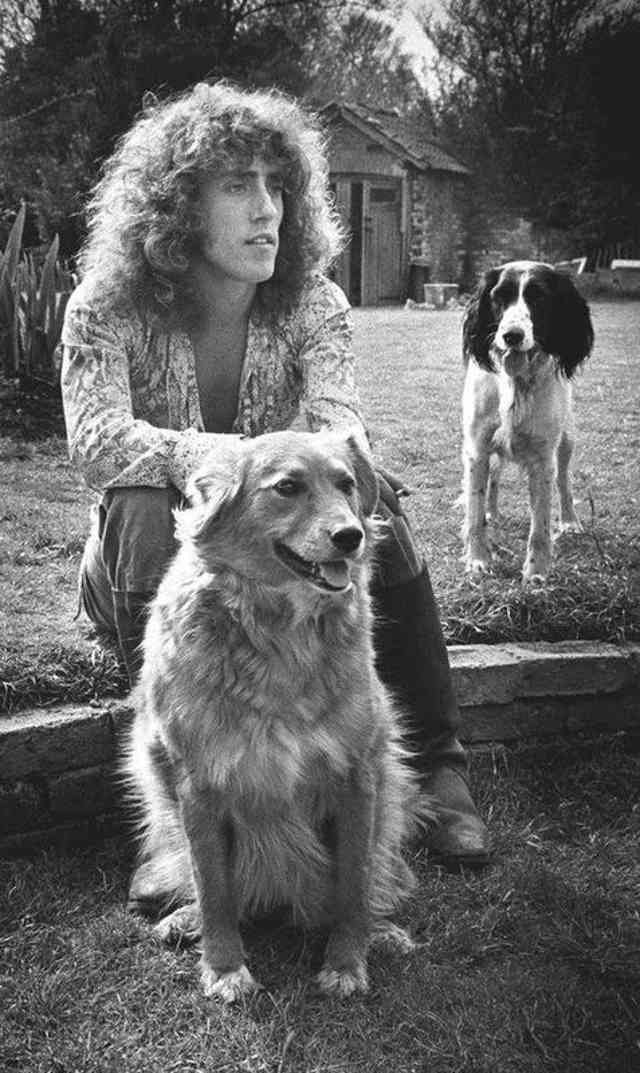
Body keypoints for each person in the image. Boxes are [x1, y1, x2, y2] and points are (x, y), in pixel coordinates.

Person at [60, 80, 490, 878]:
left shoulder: (313, 302)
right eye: (236, 185)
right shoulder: (105, 305)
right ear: (178, 207)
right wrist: (233, 468)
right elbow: (97, 443)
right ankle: (180, 786)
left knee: (376, 491)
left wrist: (285, 475)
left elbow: (342, 434)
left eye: (277, 184)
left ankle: (440, 766)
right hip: (154, 565)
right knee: (138, 499)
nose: (267, 208)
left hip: (279, 548)